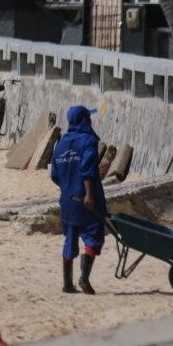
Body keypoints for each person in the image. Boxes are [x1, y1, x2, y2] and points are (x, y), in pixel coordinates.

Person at [49, 106, 107, 295]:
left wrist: (67, 187)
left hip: (67, 201)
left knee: (70, 237)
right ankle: (84, 278)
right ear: (84, 120)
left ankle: (67, 284)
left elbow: (55, 175)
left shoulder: (62, 143)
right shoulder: (88, 141)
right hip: (86, 199)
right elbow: (88, 168)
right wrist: (89, 194)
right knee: (93, 235)